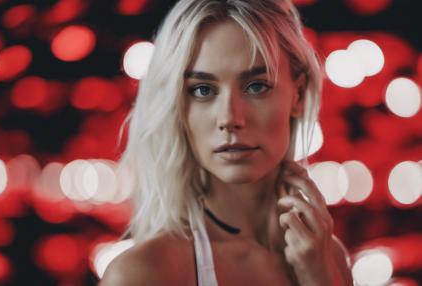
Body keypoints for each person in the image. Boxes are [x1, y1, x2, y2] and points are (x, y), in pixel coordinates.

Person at [101, 0, 354, 285]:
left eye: (256, 86)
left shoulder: (326, 256)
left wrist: (319, 277)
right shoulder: (144, 273)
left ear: (298, 94)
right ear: (177, 106)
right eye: (203, 90)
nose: (230, 118)